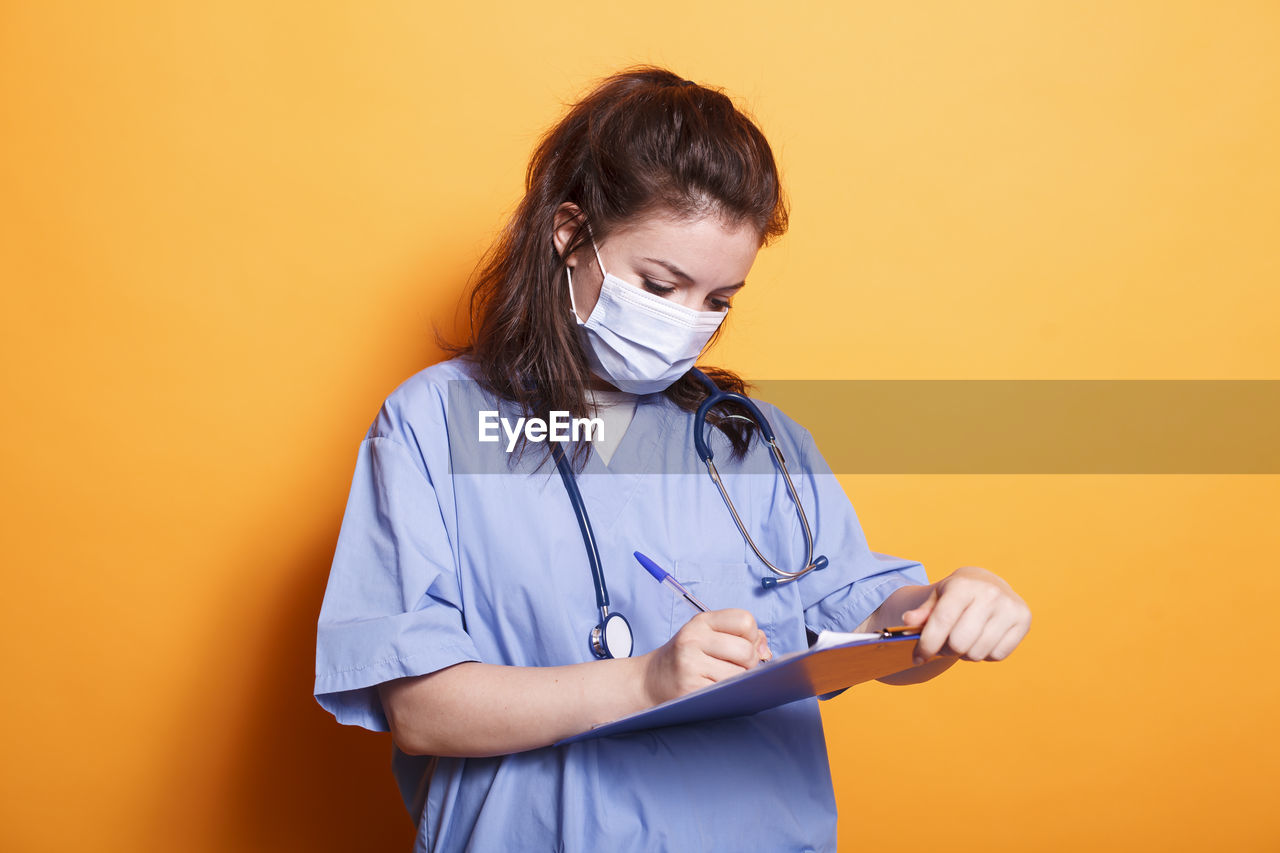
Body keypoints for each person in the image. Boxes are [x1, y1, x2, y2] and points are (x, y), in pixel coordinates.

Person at [313, 66, 1031, 853]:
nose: (689, 323)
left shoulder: (754, 441)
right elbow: (419, 710)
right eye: (662, 284)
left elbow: (864, 629)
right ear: (570, 234)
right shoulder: (432, 426)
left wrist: (946, 608)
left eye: (719, 300)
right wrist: (645, 681)